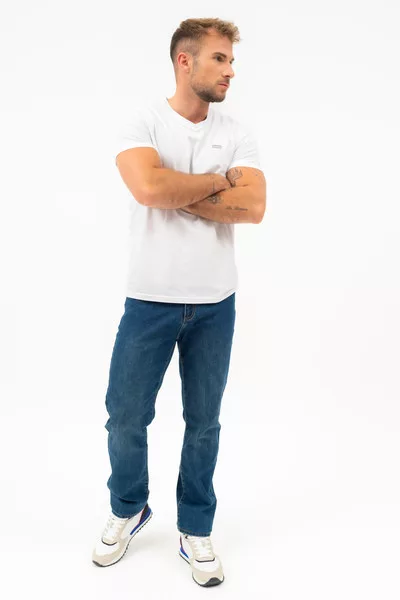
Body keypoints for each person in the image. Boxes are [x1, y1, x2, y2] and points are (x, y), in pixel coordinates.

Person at [92, 17, 266, 587]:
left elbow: (254, 207)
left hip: (216, 303)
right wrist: (219, 182)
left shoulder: (237, 132)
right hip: (150, 299)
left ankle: (195, 526)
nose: (230, 70)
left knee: (204, 422)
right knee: (125, 416)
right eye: (220, 59)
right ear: (184, 61)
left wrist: (179, 190)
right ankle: (128, 507)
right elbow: (148, 188)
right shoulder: (142, 121)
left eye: (231, 60)